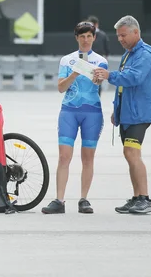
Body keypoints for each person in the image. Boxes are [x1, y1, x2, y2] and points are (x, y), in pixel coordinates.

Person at [92, 15, 151, 214]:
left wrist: (109, 75)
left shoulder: (144, 54)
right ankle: (136, 197)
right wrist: (117, 110)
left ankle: (145, 199)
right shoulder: (129, 54)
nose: (120, 39)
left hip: (140, 114)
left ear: (136, 33)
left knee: (132, 153)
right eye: (118, 36)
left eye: (124, 35)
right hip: (129, 113)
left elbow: (134, 78)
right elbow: (123, 88)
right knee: (130, 154)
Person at [42, 21, 108, 215]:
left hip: (92, 113)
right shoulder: (66, 60)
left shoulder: (100, 61)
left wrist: (98, 79)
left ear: (94, 38)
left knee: (88, 158)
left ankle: (84, 200)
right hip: (69, 112)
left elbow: (100, 83)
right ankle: (59, 200)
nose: (86, 40)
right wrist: (74, 74)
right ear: (77, 38)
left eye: (89, 36)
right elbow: (61, 88)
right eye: (82, 36)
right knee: (64, 157)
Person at [88, 15, 110, 95]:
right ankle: (97, 96)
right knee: (98, 78)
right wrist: (106, 58)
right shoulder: (103, 35)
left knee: (88, 77)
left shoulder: (87, 34)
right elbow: (107, 49)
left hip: (89, 58)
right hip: (99, 59)